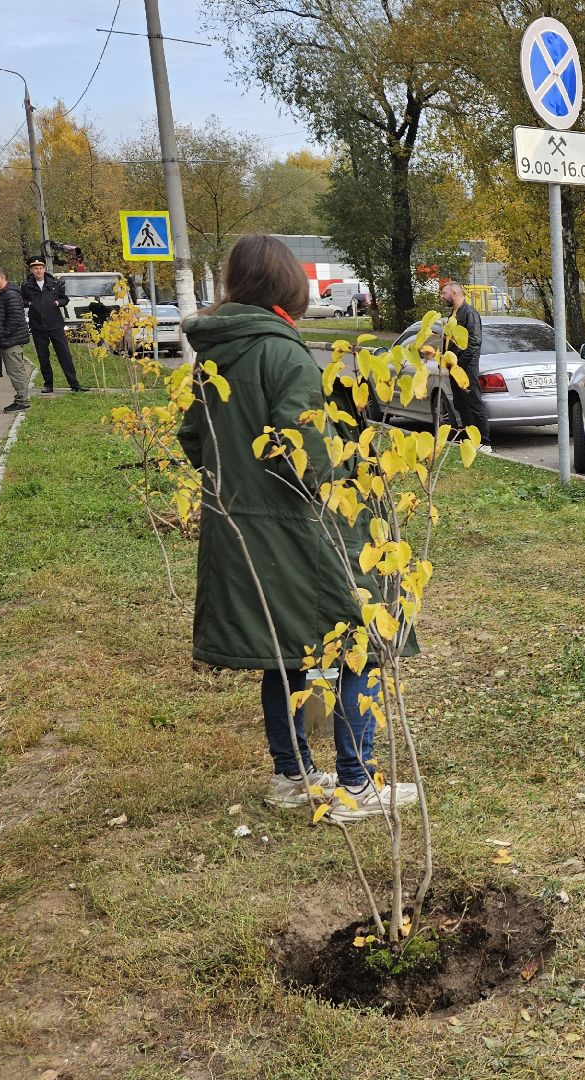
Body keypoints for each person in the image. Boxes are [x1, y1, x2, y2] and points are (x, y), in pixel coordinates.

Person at [179, 233, 418, 822]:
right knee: (355, 643)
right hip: (297, 531)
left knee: (281, 657)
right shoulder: (283, 353)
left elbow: (192, 437)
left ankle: (292, 775)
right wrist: (356, 475)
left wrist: (238, 474)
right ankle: (356, 784)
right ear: (290, 284)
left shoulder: (219, 354)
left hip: (241, 529)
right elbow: (305, 454)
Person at [19, 256, 85, 393]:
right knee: (43, 357)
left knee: (64, 355)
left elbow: (64, 299)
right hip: (38, 326)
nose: (38, 271)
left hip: (55, 325)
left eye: (41, 268)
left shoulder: (55, 283)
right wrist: (31, 303)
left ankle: (74, 383)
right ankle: (48, 384)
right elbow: (22, 300)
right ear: (31, 270)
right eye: (35, 268)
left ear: (44, 269)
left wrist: (57, 303)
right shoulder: (26, 286)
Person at [438, 279, 487, 447]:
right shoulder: (453, 314)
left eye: (444, 293)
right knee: (461, 404)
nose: (441, 296)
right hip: (455, 368)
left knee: (474, 402)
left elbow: (474, 342)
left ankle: (485, 442)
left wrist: (460, 364)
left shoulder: (469, 313)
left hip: (466, 367)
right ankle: (468, 440)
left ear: (454, 293)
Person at [0, 267, 34, 413]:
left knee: (16, 370)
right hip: (8, 339)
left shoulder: (10, 294)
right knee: (14, 370)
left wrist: (3, 334)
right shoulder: (1, 294)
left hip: (11, 340)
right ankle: (21, 399)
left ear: (2, 277)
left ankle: (22, 402)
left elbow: (15, 319)